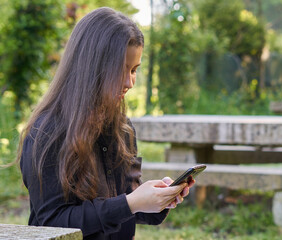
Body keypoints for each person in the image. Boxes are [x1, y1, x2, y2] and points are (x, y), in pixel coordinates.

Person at [18, 7, 194, 240]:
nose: (130, 82)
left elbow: (127, 205)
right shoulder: (46, 133)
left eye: (134, 70)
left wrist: (157, 200)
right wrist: (130, 203)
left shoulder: (122, 129)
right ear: (92, 67)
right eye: (122, 69)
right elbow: (52, 221)